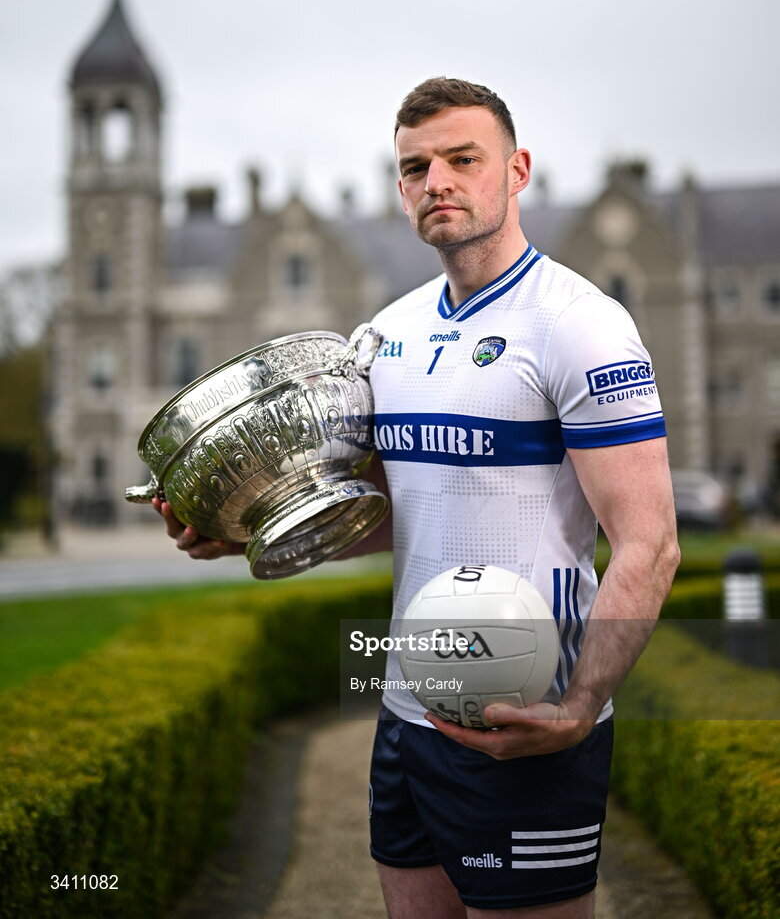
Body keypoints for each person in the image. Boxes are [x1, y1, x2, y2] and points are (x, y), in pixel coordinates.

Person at [155, 77, 680, 919]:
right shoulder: (389, 333)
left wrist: (579, 706)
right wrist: (249, 525)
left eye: (462, 158)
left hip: (524, 715)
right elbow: (402, 509)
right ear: (400, 190)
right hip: (404, 711)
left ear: (517, 171)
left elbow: (649, 544)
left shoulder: (580, 324)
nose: (437, 180)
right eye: (414, 167)